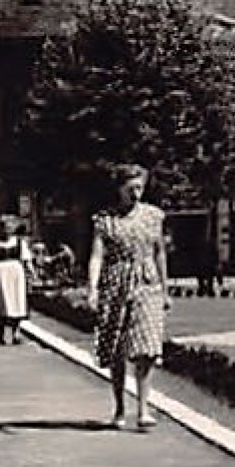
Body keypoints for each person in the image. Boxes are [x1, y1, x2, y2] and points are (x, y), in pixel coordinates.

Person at [89, 164, 171, 431]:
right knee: (117, 349)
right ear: (119, 189)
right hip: (116, 283)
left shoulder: (153, 216)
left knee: (146, 348)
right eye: (130, 189)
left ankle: (144, 408)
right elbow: (97, 256)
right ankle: (120, 408)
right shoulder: (105, 220)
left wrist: (165, 288)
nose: (136, 194)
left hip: (147, 283)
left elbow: (159, 252)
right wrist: (93, 288)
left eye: (140, 188)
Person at [0, 215, 32, 346]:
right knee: (0, 304)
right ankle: (0, 335)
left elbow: (26, 260)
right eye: (3, 227)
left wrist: (31, 273)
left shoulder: (20, 243)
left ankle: (16, 334)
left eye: (9, 227)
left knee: (17, 303)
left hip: (16, 276)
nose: (6, 230)